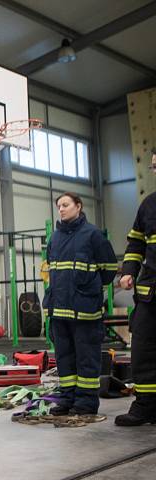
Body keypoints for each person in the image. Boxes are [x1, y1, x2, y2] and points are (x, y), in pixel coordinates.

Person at [44, 192, 117, 416]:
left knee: (86, 358)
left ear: (78, 206)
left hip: (84, 311)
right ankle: (67, 398)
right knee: (64, 358)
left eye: (65, 205)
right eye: (59, 206)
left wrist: (88, 290)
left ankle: (86, 402)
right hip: (59, 311)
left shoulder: (93, 235)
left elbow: (109, 269)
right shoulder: (54, 238)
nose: (61, 209)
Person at [115, 151, 156, 426]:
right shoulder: (149, 204)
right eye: (154, 166)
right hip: (150, 293)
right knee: (143, 349)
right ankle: (146, 406)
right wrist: (129, 271)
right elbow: (136, 244)